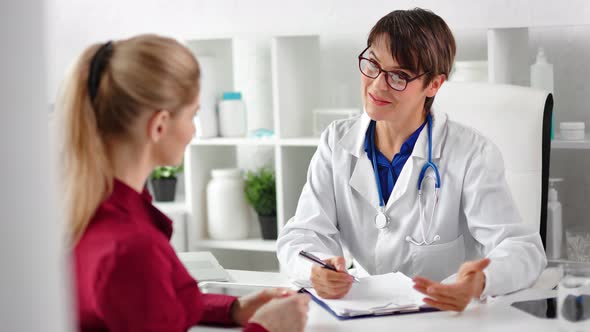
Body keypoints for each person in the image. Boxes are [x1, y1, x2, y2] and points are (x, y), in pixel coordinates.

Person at [276, 8, 546, 312]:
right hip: (361, 312)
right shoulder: (336, 142)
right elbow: (302, 234)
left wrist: (479, 282)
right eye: (373, 65)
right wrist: (317, 269)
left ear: (434, 85)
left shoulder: (471, 153)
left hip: (440, 317)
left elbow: (524, 250)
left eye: (399, 76)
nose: (378, 85)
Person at [58, 34, 309, 332]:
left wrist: (232, 308)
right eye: (193, 115)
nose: (193, 130)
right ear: (160, 125)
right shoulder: (131, 248)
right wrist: (267, 328)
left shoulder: (90, 208)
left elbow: (141, 301)